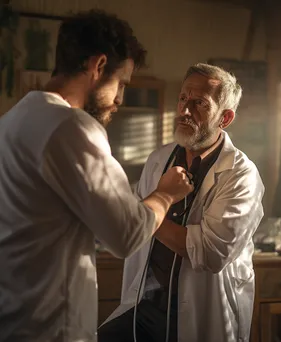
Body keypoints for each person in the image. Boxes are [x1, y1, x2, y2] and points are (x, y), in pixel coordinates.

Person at [0, 10, 193, 342]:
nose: (119, 99)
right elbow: (127, 233)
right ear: (98, 66)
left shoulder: (12, 121)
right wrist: (165, 194)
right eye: (121, 84)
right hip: (51, 329)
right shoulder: (72, 127)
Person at [98, 63, 265, 342]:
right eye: (183, 98)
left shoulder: (241, 174)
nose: (185, 111)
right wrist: (147, 211)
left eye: (199, 103)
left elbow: (210, 252)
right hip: (147, 301)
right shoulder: (159, 159)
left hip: (202, 309)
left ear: (225, 118)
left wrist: (146, 212)